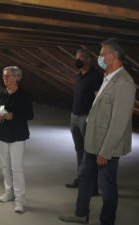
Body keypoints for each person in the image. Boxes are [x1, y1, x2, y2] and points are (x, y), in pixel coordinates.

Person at [59, 38, 136, 225]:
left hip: (105, 147)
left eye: (102, 55)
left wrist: (106, 151)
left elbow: (119, 122)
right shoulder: (107, 77)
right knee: (85, 176)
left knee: (107, 186)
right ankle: (81, 214)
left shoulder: (124, 82)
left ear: (113, 55)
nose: (100, 58)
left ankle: (107, 221)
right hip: (93, 142)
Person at [0, 66, 34, 213]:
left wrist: (14, 116)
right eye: (4, 76)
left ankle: (19, 199)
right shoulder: (1, 93)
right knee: (5, 166)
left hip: (18, 134)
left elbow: (30, 115)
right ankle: (9, 192)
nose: (5, 78)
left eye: (8, 76)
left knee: (16, 168)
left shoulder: (24, 94)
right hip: (2, 133)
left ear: (17, 78)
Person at [66, 49, 103, 189]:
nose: (77, 60)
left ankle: (92, 184)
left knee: (90, 151)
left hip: (86, 117)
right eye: (76, 57)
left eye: (81, 57)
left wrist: (94, 119)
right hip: (74, 116)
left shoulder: (95, 77)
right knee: (79, 149)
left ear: (88, 60)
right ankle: (81, 178)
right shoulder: (79, 75)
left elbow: (98, 99)